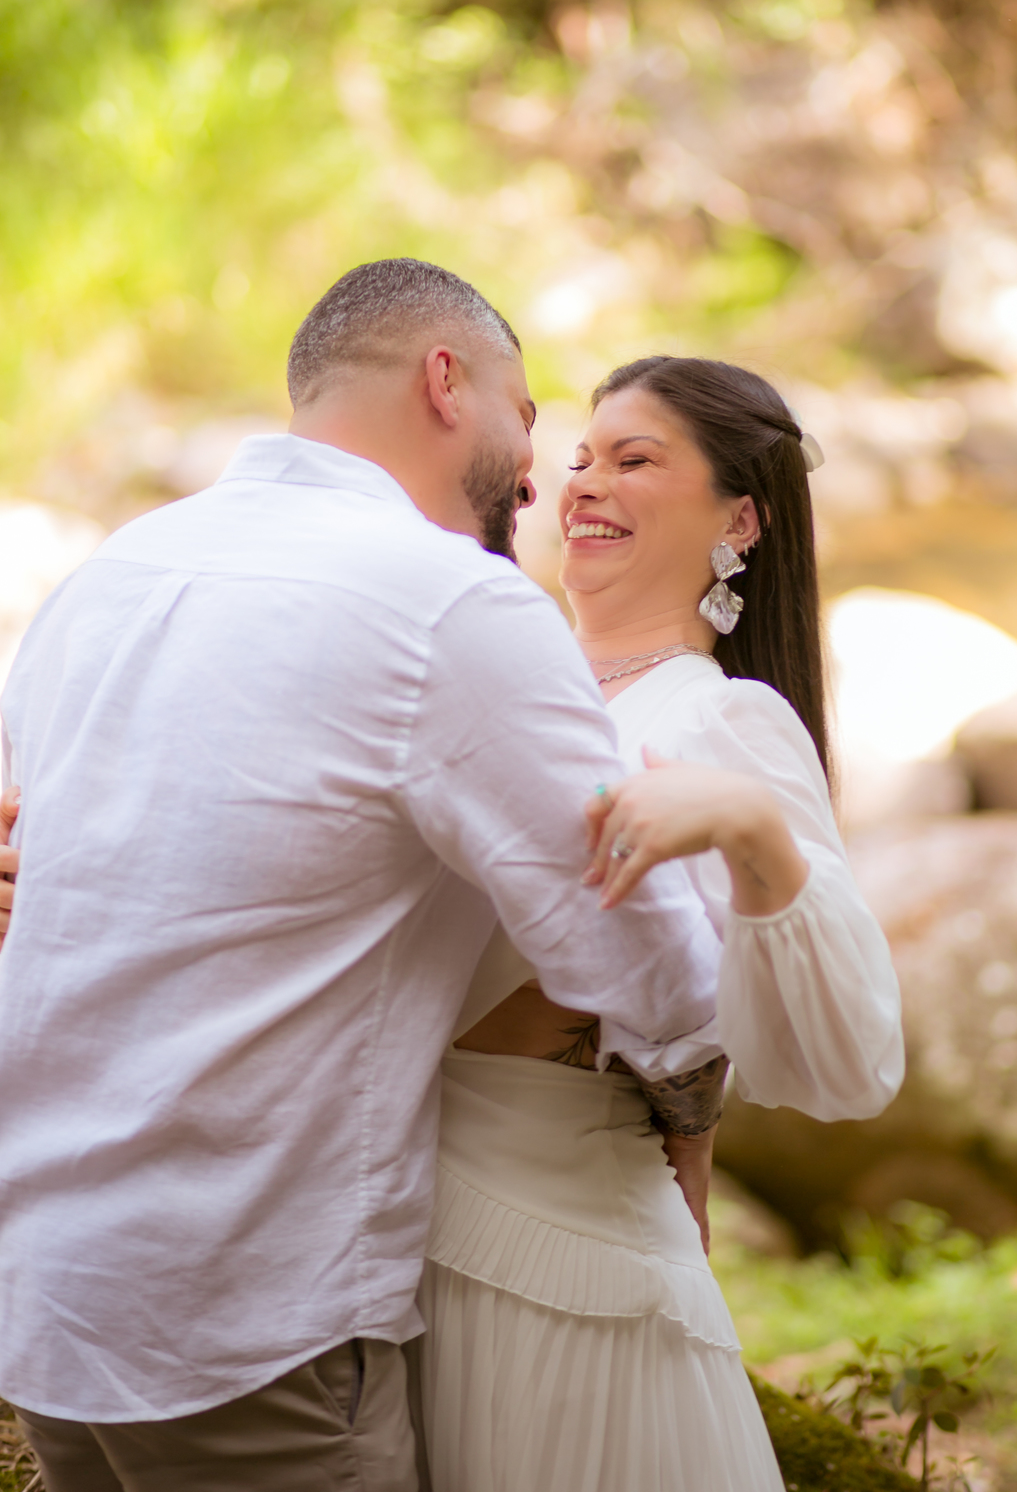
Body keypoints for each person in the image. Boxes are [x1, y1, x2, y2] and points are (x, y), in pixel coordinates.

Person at [0, 261, 729, 1492]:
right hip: (253, 1321)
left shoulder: (109, 577)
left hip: (52, 1298)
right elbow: (645, 966)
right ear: (446, 383)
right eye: (527, 416)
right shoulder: (451, 605)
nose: (538, 474)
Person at [416, 355, 904, 1492]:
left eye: (636, 461)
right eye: (581, 456)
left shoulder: (723, 719)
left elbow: (851, 1063)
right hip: (402, 1222)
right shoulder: (502, 677)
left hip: (562, 1247)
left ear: (740, 518)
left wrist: (752, 829)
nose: (584, 483)